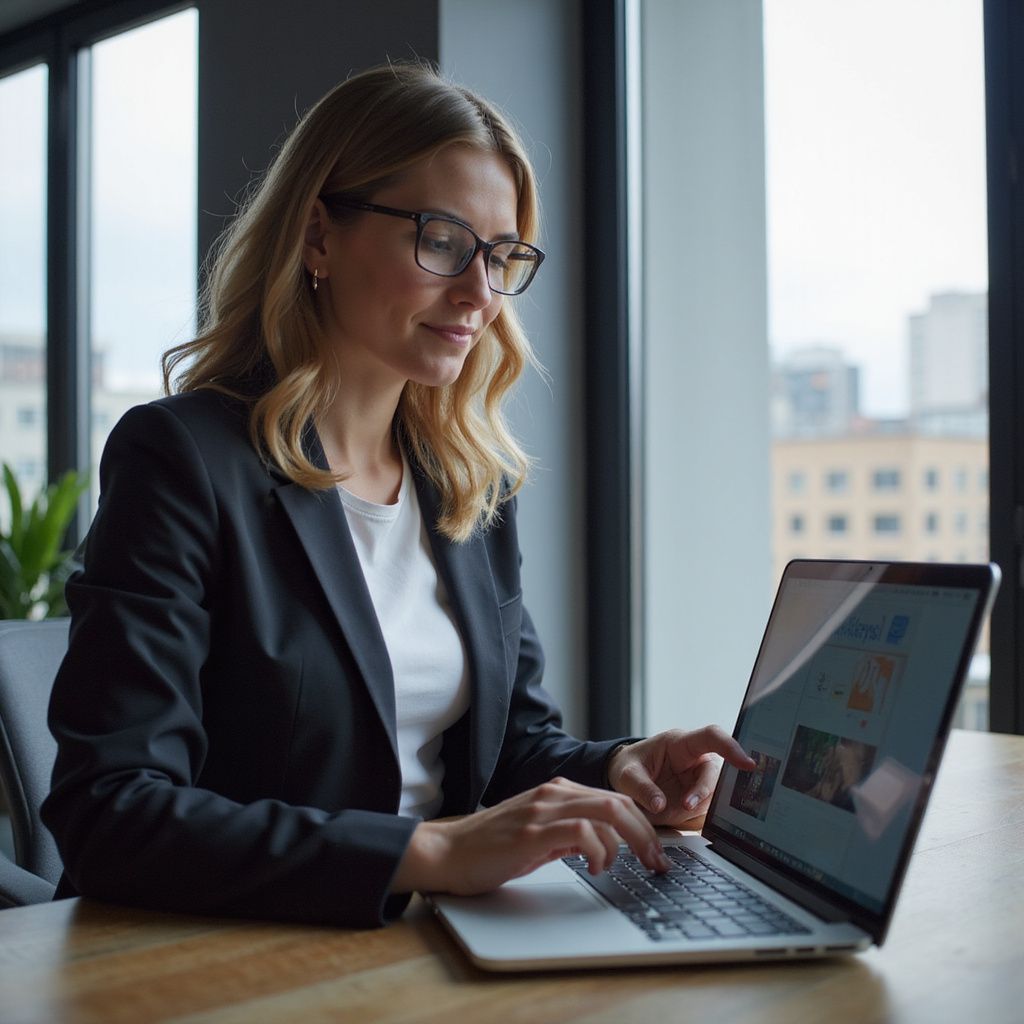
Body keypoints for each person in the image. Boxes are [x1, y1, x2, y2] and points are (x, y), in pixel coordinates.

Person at [41, 61, 755, 929]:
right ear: (318, 237)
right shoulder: (182, 460)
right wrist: (433, 852)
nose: (479, 295)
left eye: (500, 257)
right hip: (226, 955)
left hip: (426, 941)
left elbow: (508, 751)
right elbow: (111, 812)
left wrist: (622, 768)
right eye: (444, 240)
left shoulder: (467, 481)